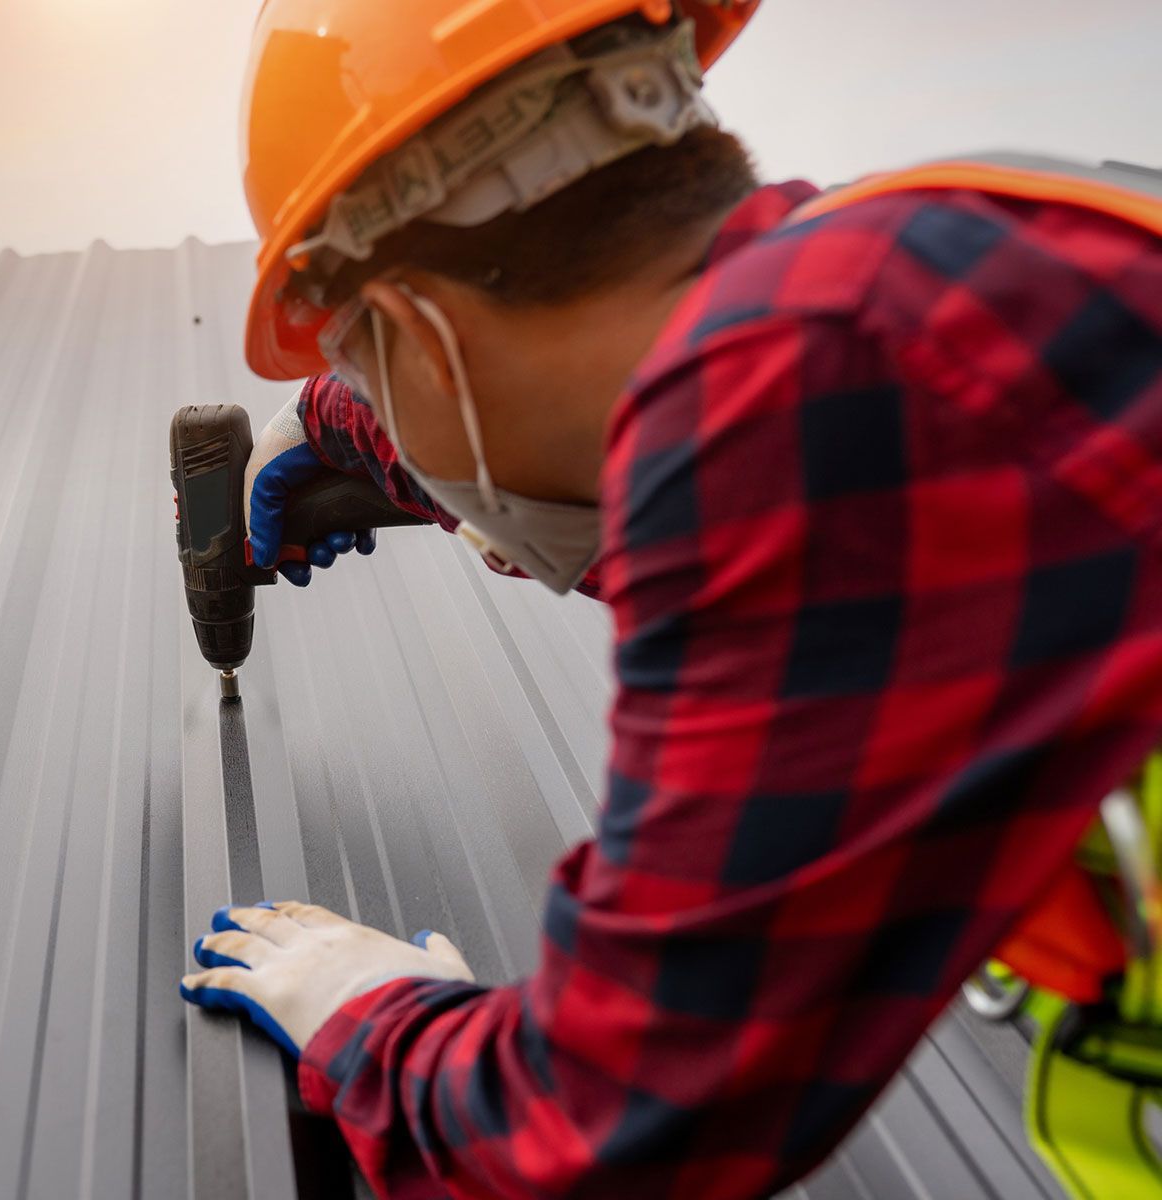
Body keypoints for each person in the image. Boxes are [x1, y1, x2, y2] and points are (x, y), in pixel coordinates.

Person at [176, 1, 1162, 1196]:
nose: (368, 399)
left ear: (416, 336)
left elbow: (597, 1133)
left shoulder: (796, 409)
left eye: (355, 362)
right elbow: (633, 474)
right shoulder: (916, 273)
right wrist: (349, 434)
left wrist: (372, 1012)